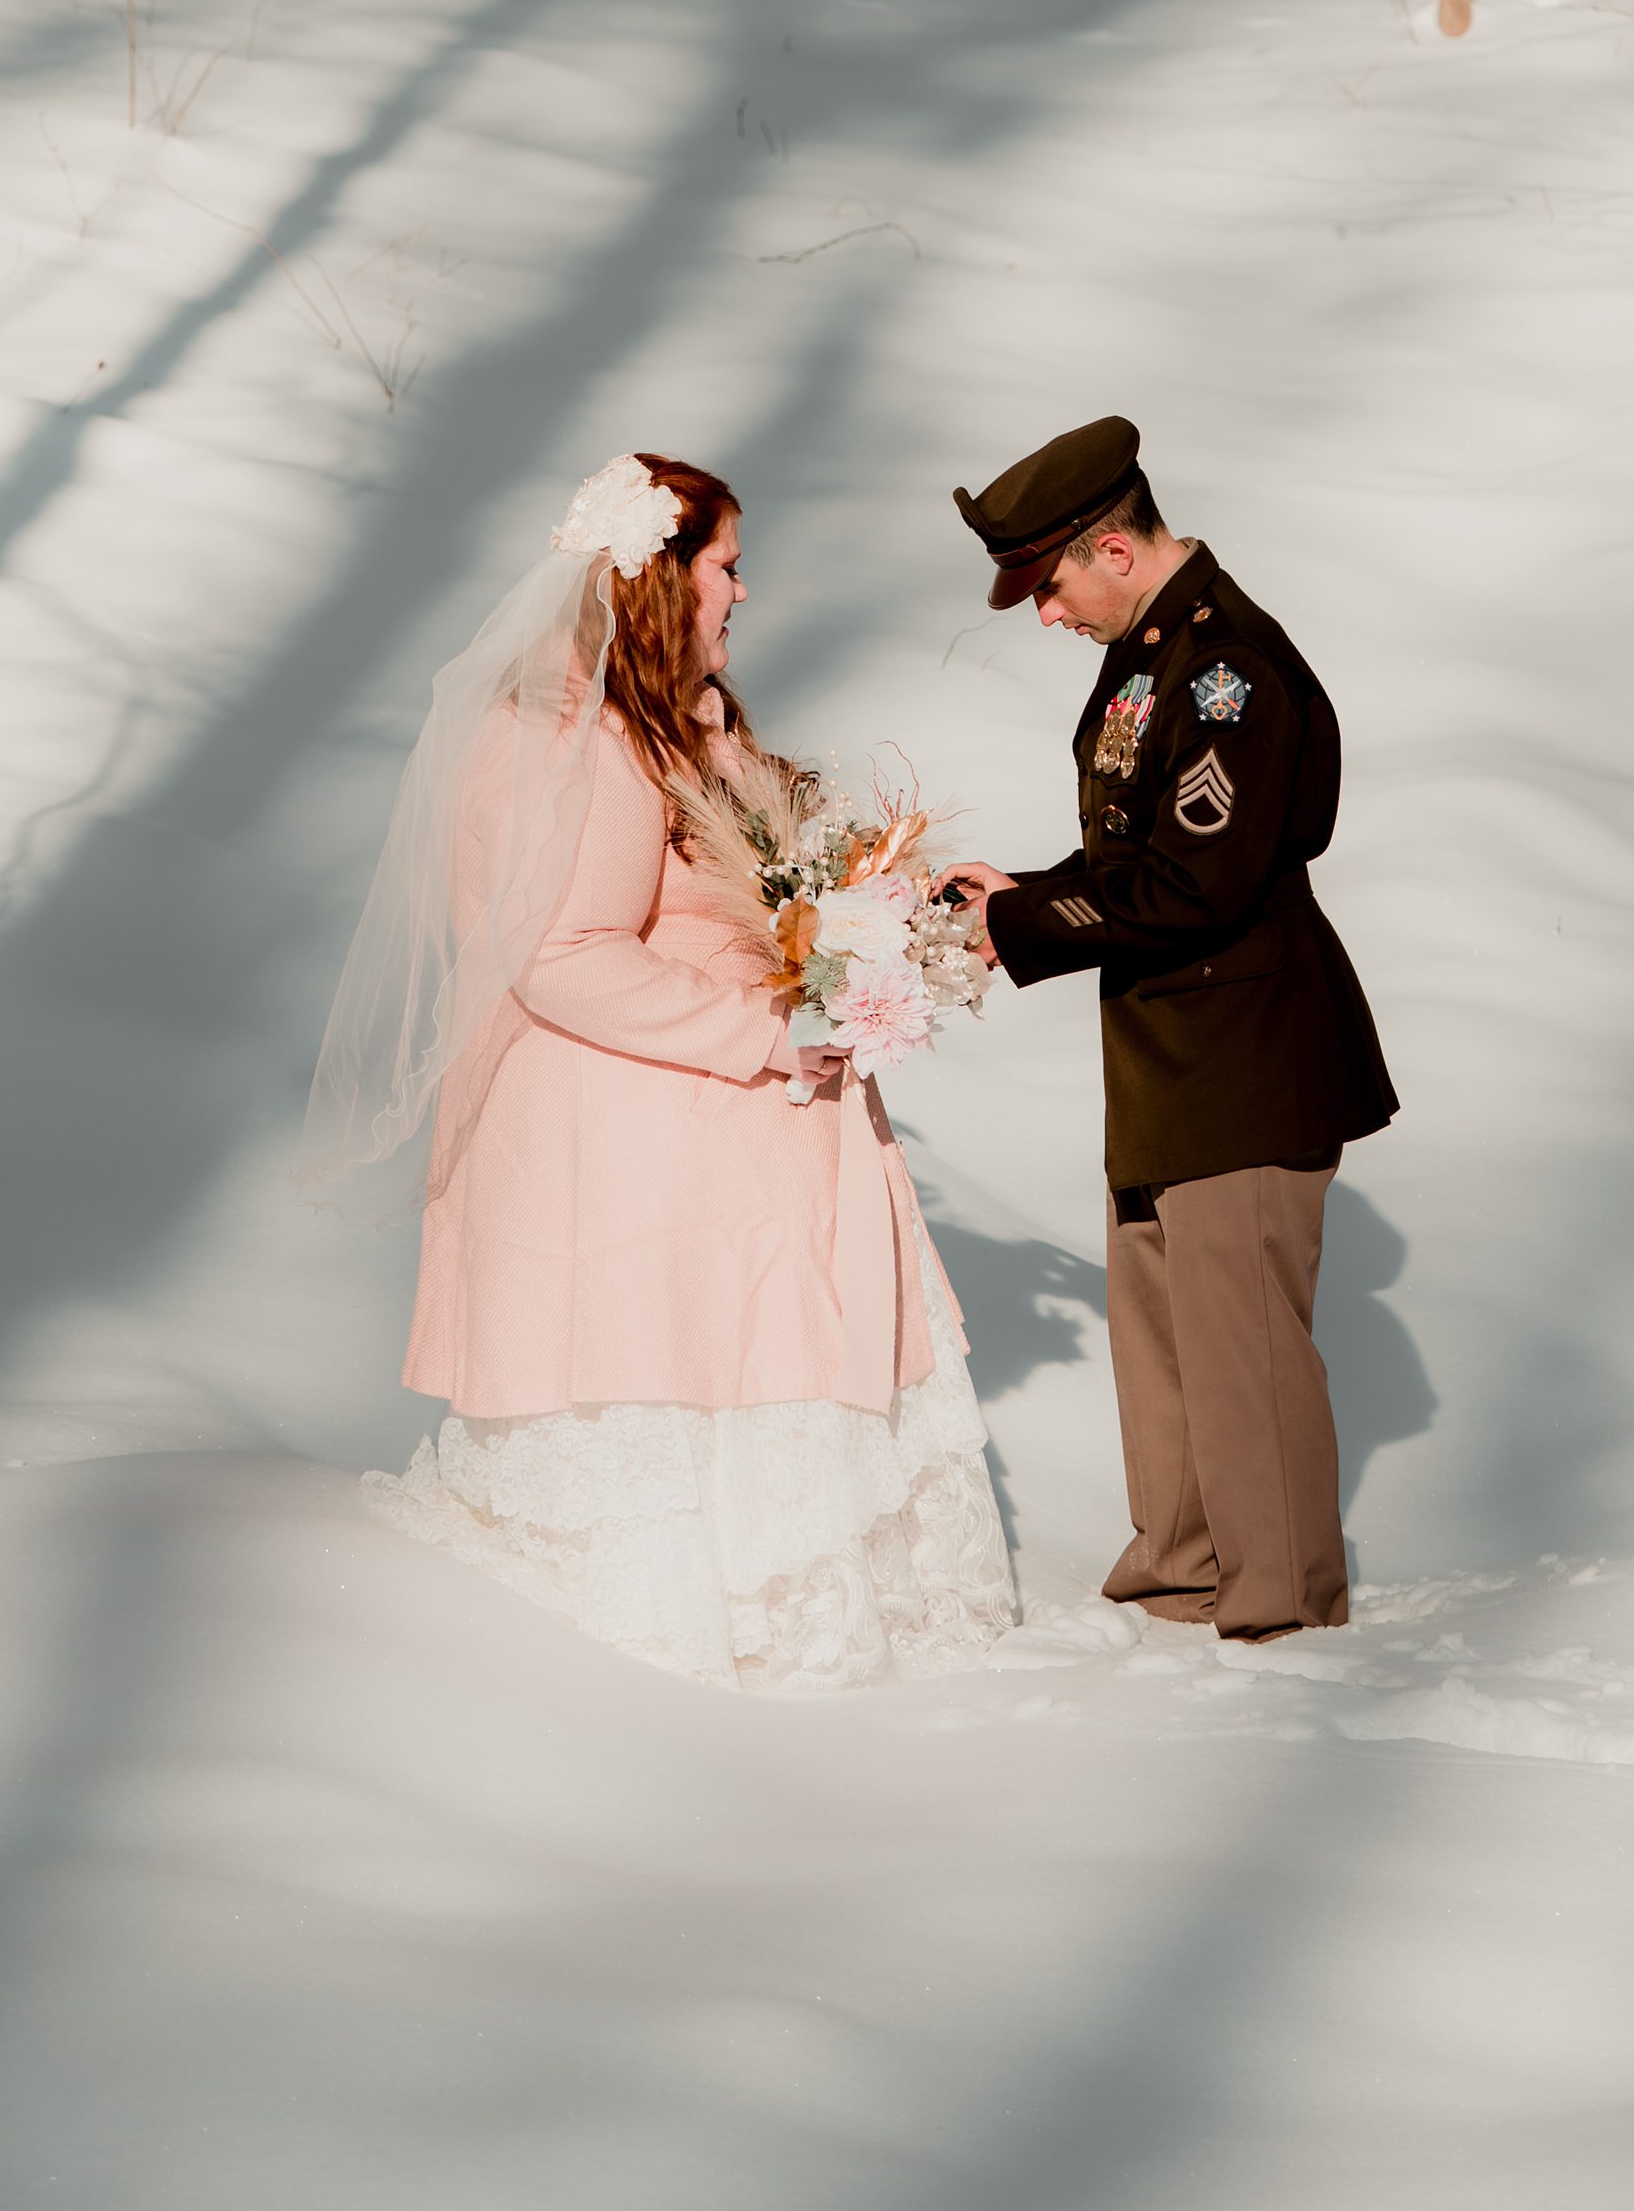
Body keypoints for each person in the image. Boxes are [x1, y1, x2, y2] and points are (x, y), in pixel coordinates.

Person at [305, 450, 1016, 1690]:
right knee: (678, 1428)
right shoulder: (566, 738)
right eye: (729, 568)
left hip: (723, 1149)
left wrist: (865, 935)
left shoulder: (677, 724)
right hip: (630, 1150)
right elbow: (565, 958)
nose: (744, 593)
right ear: (661, 577)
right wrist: (769, 1033)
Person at [943, 414, 1396, 1643]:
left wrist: (1031, 924)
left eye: (1046, 585)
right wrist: (1018, 899)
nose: (1043, 613)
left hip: (1243, 1052)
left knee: (1241, 1340)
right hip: (1171, 1052)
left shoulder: (1225, 666)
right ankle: (1184, 1569)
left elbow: (1202, 883)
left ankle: (1281, 1600)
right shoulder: (1156, 652)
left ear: (1113, 549)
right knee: (1166, 1331)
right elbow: (1144, 856)